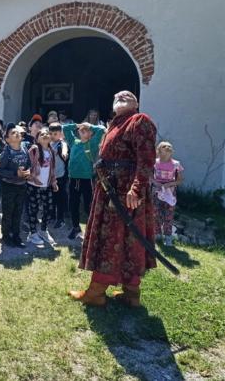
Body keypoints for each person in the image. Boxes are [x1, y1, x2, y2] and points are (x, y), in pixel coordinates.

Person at [69, 91, 157, 308]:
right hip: (109, 187)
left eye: (128, 96)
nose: (122, 96)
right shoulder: (115, 124)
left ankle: (96, 293)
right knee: (124, 239)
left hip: (124, 191)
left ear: (136, 103)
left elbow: (146, 158)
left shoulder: (139, 120)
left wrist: (136, 189)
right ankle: (131, 293)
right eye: (118, 96)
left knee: (113, 238)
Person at [62, 121, 105, 239]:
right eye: (82, 129)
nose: (83, 130)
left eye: (86, 130)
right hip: (73, 178)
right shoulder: (74, 142)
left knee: (88, 205)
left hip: (86, 179)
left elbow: (101, 129)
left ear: (91, 133)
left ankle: (93, 229)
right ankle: (76, 227)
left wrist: (89, 126)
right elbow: (65, 128)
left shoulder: (93, 143)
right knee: (73, 204)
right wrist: (77, 125)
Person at [0, 124, 31, 248]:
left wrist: (28, 171)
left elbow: (29, 164)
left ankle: (16, 235)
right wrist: (15, 173)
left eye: (17, 132)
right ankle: (6, 236)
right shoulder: (6, 153)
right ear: (7, 139)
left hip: (21, 185)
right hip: (9, 186)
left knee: (18, 212)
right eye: (12, 133)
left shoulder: (24, 149)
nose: (16, 134)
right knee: (8, 212)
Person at [26, 128, 59, 247]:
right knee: (33, 209)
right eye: (42, 134)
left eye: (47, 134)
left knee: (48, 209)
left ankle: (43, 230)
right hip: (33, 185)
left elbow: (52, 169)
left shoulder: (51, 151)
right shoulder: (34, 149)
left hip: (46, 185)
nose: (45, 135)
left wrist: (54, 182)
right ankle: (32, 233)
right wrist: (32, 176)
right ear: (37, 139)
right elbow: (28, 164)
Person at [152, 141, 184, 246]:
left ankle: (168, 238)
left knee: (168, 215)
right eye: (161, 152)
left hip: (170, 193)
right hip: (157, 192)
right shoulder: (154, 163)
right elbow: (149, 176)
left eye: (167, 152)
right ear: (158, 151)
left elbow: (180, 180)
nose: (164, 155)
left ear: (171, 152)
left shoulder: (176, 164)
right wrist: (156, 183)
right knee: (155, 213)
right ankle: (157, 235)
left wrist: (170, 184)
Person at [49, 123, 69, 229]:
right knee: (51, 197)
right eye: (51, 133)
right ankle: (52, 216)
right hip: (50, 176)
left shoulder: (62, 144)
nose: (52, 136)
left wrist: (65, 154)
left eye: (55, 134)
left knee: (59, 198)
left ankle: (60, 219)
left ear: (60, 134)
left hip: (60, 176)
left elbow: (65, 149)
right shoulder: (49, 144)